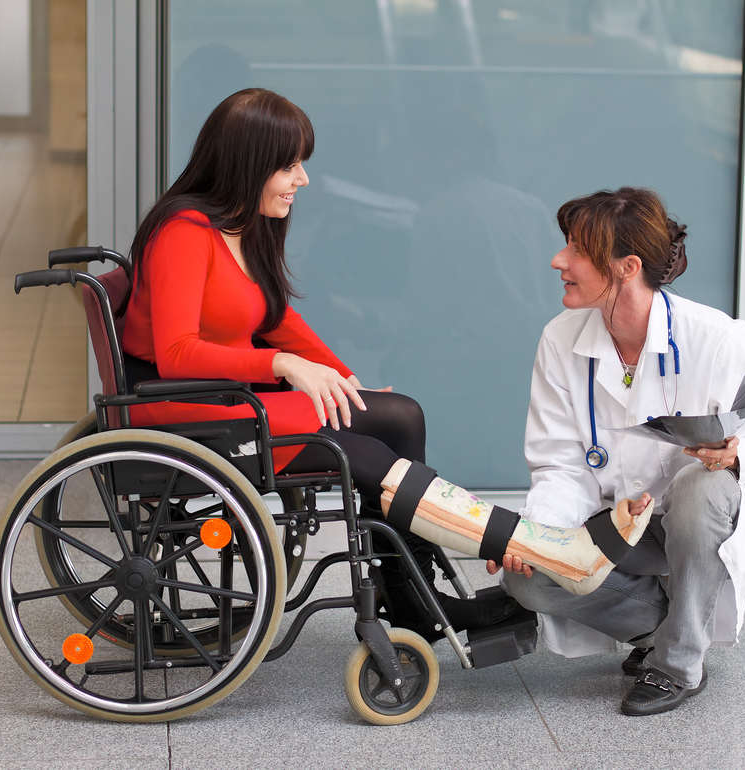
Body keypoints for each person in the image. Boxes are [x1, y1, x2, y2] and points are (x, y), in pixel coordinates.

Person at [120, 88, 520, 641]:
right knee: (360, 450)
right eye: (289, 166)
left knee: (399, 414)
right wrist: (283, 365)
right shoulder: (184, 235)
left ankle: (411, 594)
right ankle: (473, 560)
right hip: (183, 404)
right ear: (248, 164)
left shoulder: (240, 226)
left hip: (229, 393)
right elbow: (176, 354)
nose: (302, 179)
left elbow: (278, 319)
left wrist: (343, 378)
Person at [489, 187, 745, 716]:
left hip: (700, 520)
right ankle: (671, 626)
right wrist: (537, 536)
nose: (558, 261)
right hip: (619, 525)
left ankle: (678, 663)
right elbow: (560, 466)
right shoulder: (560, 338)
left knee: (700, 487)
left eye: (576, 250)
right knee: (528, 578)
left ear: (626, 267)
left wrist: (735, 455)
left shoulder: (717, 338)